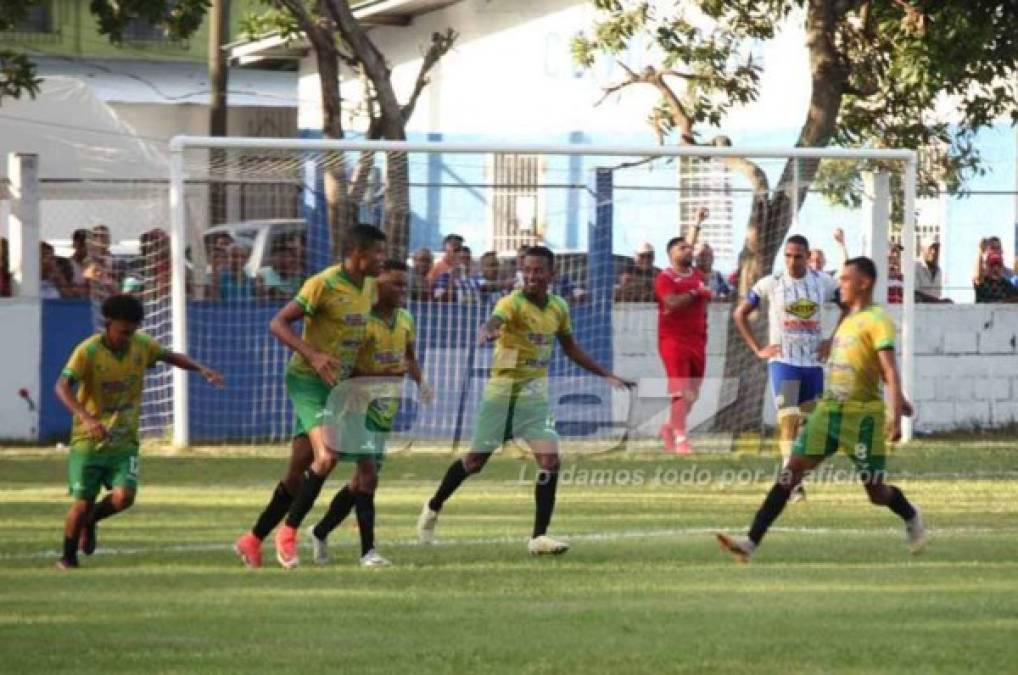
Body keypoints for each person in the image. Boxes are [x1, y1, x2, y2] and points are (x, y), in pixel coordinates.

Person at [416, 246, 634, 555]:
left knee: (550, 461)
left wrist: (605, 374)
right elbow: (493, 321)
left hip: (534, 396)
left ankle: (538, 537)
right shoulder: (511, 303)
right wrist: (486, 331)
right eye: (527, 270)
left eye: (538, 270)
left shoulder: (558, 307)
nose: (531, 276)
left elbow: (571, 348)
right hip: (502, 394)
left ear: (551, 274)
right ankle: (433, 507)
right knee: (475, 462)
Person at [717, 256, 925, 562]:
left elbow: (888, 370)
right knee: (790, 475)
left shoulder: (877, 320)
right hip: (829, 412)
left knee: (876, 493)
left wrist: (896, 414)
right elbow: (862, 364)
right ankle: (750, 542)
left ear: (864, 283)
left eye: (845, 279)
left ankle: (911, 515)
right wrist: (902, 400)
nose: (839, 284)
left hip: (862, 417)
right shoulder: (848, 320)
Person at [233, 224, 386, 569]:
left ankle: (252, 539)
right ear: (358, 254)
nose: (382, 259)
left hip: (340, 386)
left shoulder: (370, 288)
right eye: (377, 252)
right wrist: (314, 355)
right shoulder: (324, 284)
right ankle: (287, 533)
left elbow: (355, 336)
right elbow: (278, 323)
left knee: (298, 472)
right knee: (328, 455)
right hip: (308, 380)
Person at [53, 294, 223, 569]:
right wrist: (86, 418)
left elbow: (170, 356)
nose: (127, 338)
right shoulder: (88, 351)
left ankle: (92, 520)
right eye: (122, 332)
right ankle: (68, 557)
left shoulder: (141, 346)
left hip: (124, 441)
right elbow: (61, 386)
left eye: (131, 332)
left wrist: (201, 369)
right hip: (88, 442)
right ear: (108, 324)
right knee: (82, 503)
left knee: (124, 498)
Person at [308, 259, 433, 567]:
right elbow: (345, 367)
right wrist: (380, 372)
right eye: (396, 283)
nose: (402, 290)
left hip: (384, 409)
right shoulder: (361, 321)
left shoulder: (405, 318)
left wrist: (421, 383)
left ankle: (320, 531)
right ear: (377, 285)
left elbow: (409, 357)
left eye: (405, 284)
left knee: (359, 483)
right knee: (369, 476)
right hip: (355, 406)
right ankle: (368, 552)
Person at [732, 235, 841, 500]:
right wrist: (759, 348)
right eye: (788, 255)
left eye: (798, 256)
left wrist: (831, 340)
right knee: (788, 417)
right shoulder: (771, 283)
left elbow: (849, 306)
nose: (792, 261)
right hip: (783, 361)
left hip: (813, 363)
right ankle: (789, 480)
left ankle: (796, 472)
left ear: (807, 256)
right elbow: (740, 313)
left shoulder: (823, 282)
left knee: (812, 424)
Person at [655, 236, 712, 454]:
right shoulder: (665, 277)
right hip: (673, 340)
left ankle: (669, 428)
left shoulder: (698, 275)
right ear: (671, 254)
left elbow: (704, 297)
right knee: (682, 390)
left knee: (692, 395)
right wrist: (695, 293)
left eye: (690, 248)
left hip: (698, 340)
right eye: (682, 248)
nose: (689, 251)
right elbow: (671, 303)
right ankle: (681, 439)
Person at [915, 238, 950, 303]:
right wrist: (939, 302)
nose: (933, 252)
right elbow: (915, 295)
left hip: (933, 311)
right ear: (922, 249)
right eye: (930, 248)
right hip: (918, 310)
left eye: (936, 249)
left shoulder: (938, 271)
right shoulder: (915, 267)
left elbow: (936, 295)